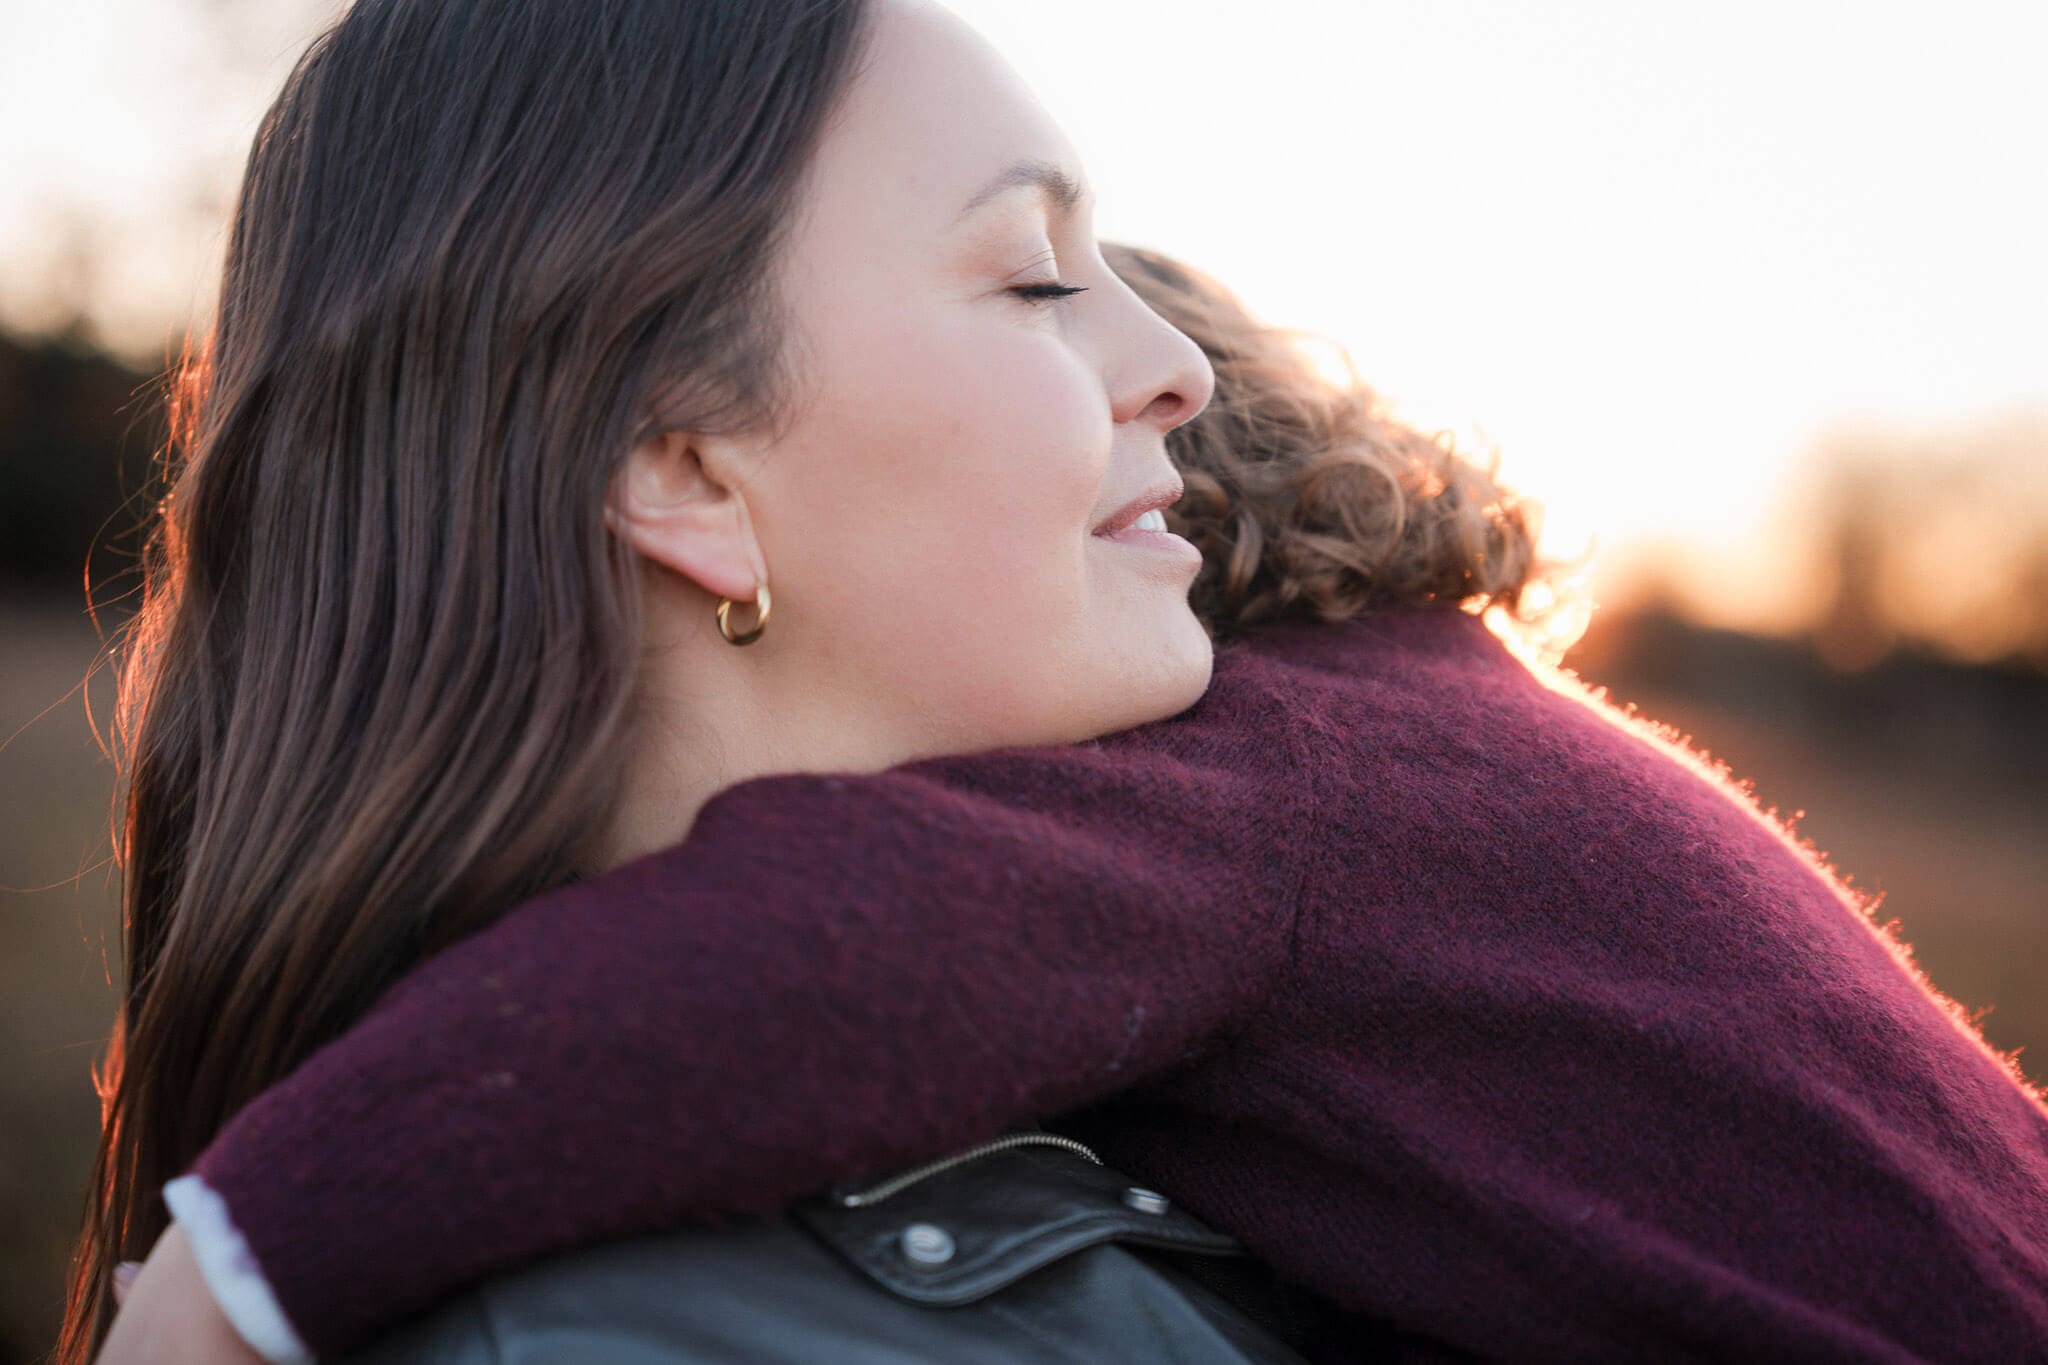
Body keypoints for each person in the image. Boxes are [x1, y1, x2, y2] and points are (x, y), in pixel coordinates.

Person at [74, 2, 2048, 1364]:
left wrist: (231, 1269)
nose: (1164, 369)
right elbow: (777, 963)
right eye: (1032, 271)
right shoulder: (1341, 774)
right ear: (678, 464)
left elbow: (794, 961)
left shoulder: (1296, 786)